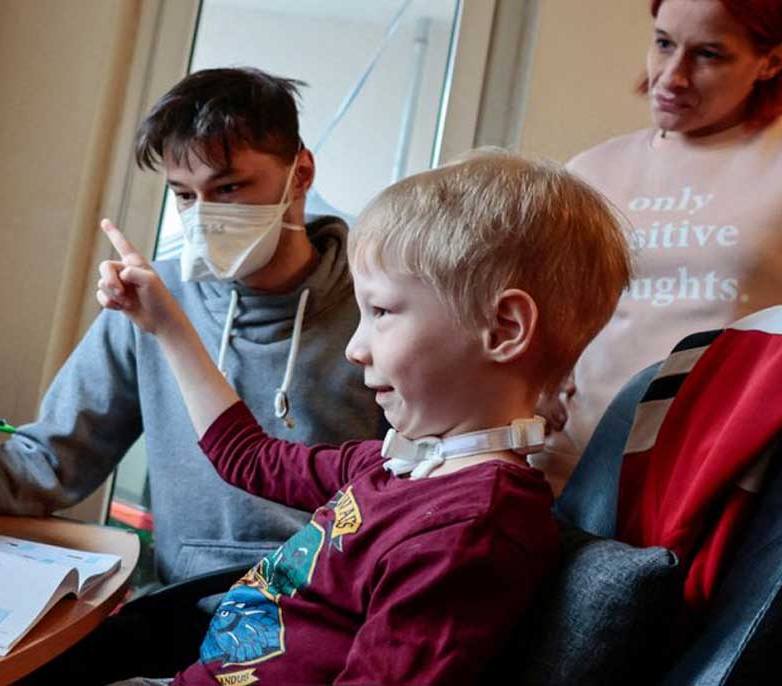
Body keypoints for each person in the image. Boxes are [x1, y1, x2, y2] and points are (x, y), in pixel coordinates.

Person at [0, 68, 387, 678]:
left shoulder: (382, 312)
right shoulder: (152, 304)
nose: (203, 217)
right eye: (183, 194)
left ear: (300, 173)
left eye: (228, 189)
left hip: (328, 613)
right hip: (187, 606)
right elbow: (47, 463)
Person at [95, 150, 632, 685]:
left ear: (503, 328)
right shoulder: (394, 464)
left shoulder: (469, 533)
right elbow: (247, 458)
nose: (355, 348)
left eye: (380, 313)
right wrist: (166, 325)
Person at [539, 0, 782, 490]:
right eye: (664, 43)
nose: (672, 77)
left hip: (716, 481)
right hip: (571, 466)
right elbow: (546, 312)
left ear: (770, 61)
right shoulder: (590, 173)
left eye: (709, 54)